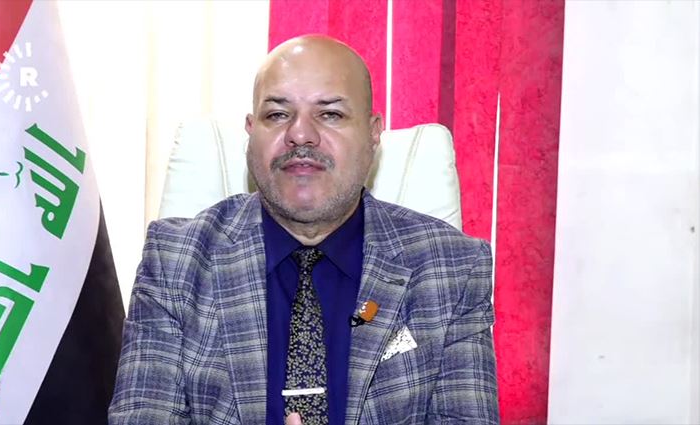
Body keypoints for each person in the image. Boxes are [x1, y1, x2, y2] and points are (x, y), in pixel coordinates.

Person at [108, 35, 498, 425]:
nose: (300, 134)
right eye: (278, 114)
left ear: (373, 132)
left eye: (330, 114)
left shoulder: (451, 268)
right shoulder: (175, 261)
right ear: (251, 132)